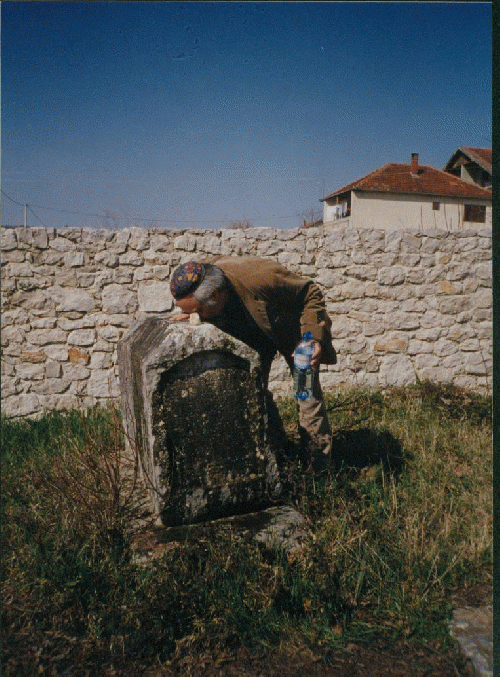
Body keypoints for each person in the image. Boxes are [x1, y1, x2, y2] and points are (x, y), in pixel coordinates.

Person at [168, 256, 337, 473]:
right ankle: (280, 454)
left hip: (296, 333)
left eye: (198, 310)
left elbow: (310, 293)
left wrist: (312, 338)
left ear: (216, 294)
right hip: (256, 340)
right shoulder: (200, 278)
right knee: (254, 394)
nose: (196, 316)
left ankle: (317, 469)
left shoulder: (261, 277)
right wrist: (193, 313)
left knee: (306, 395)